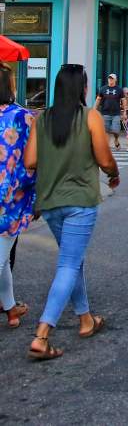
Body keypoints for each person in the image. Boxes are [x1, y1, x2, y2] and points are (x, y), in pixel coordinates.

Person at [24, 63, 120, 360]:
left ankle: (85, 319)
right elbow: (104, 159)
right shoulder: (89, 117)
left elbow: (30, 161)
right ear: (83, 88)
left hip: (50, 201)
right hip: (79, 201)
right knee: (69, 263)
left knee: (72, 260)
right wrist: (114, 174)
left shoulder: (42, 119)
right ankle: (42, 334)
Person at [0, 63, 36, 329]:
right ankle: (11, 310)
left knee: (2, 257)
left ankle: (11, 309)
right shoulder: (23, 116)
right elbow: (34, 158)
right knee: (1, 256)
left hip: (10, 195)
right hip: (12, 196)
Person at [94, 72, 124, 150]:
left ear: (115, 80)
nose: (110, 80)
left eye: (112, 79)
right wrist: (94, 110)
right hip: (105, 113)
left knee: (115, 130)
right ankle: (106, 146)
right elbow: (98, 99)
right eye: (109, 78)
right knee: (106, 131)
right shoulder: (103, 88)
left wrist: (124, 112)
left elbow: (123, 100)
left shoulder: (119, 89)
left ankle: (116, 140)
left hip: (116, 113)